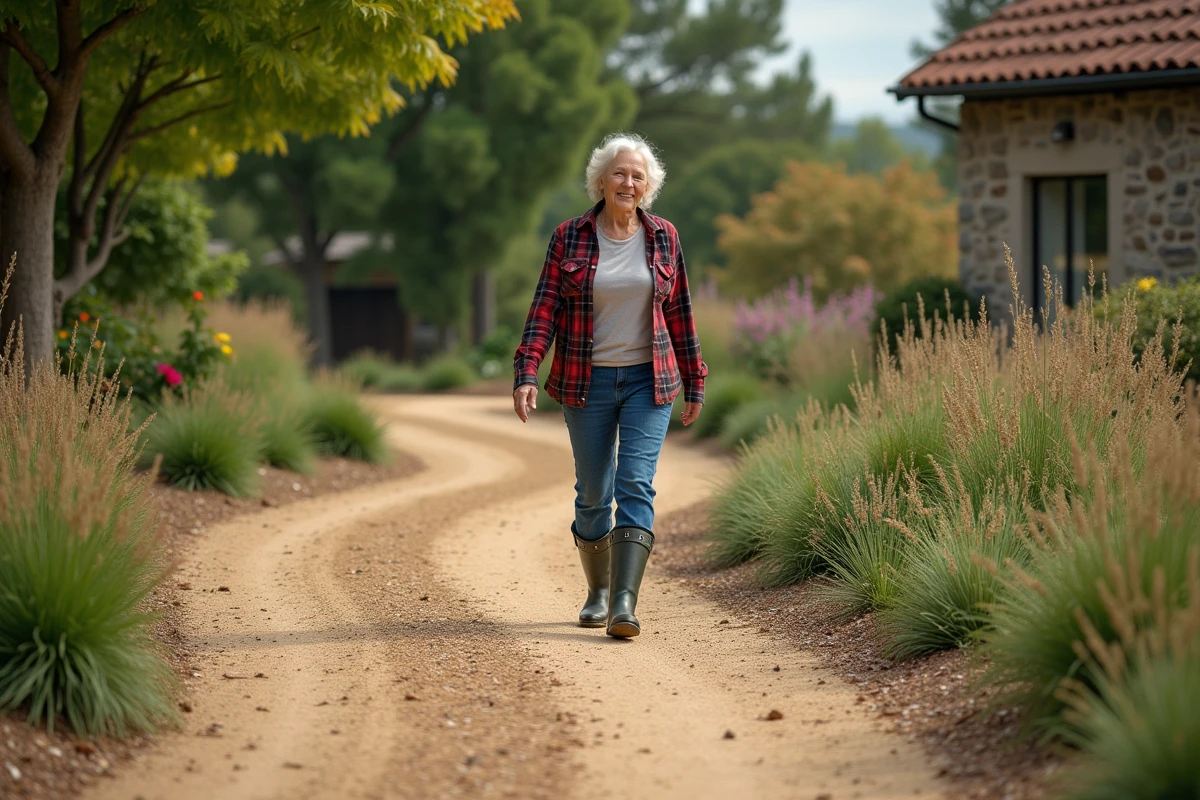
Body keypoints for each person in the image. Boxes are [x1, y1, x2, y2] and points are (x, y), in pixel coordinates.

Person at [512, 133, 707, 639]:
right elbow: (544, 309)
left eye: (637, 175)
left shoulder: (664, 237)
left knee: (635, 485)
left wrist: (695, 379)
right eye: (619, 173)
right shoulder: (570, 237)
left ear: (648, 187)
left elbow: (681, 313)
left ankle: (624, 603)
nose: (628, 182)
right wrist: (527, 371)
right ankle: (598, 592)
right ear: (601, 181)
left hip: (649, 380)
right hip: (586, 381)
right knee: (594, 494)